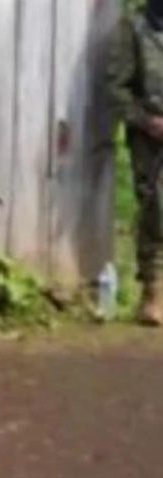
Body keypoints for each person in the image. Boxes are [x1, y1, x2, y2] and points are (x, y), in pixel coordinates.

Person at [107, 0, 163, 327]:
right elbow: (116, 88)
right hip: (150, 138)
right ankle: (152, 291)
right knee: (155, 209)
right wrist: (146, 121)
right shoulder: (134, 27)